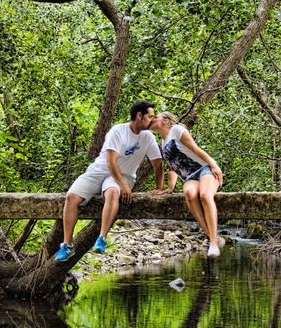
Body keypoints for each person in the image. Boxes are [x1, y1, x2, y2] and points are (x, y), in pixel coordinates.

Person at [53, 100, 164, 262]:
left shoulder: (147, 138)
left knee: (112, 192)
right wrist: (125, 187)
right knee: (71, 197)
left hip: (123, 175)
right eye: (150, 117)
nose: (152, 121)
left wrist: (159, 188)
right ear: (139, 116)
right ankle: (67, 245)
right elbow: (110, 162)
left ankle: (102, 238)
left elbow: (158, 164)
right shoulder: (118, 131)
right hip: (100, 170)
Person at [151, 111, 224, 257]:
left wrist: (214, 165)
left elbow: (196, 149)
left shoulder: (177, 130)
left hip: (205, 169)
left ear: (165, 120)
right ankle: (212, 237)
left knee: (204, 195)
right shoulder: (162, 143)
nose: (152, 120)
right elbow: (172, 167)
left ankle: (214, 243)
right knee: (189, 193)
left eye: (156, 117)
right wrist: (170, 188)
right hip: (190, 177)